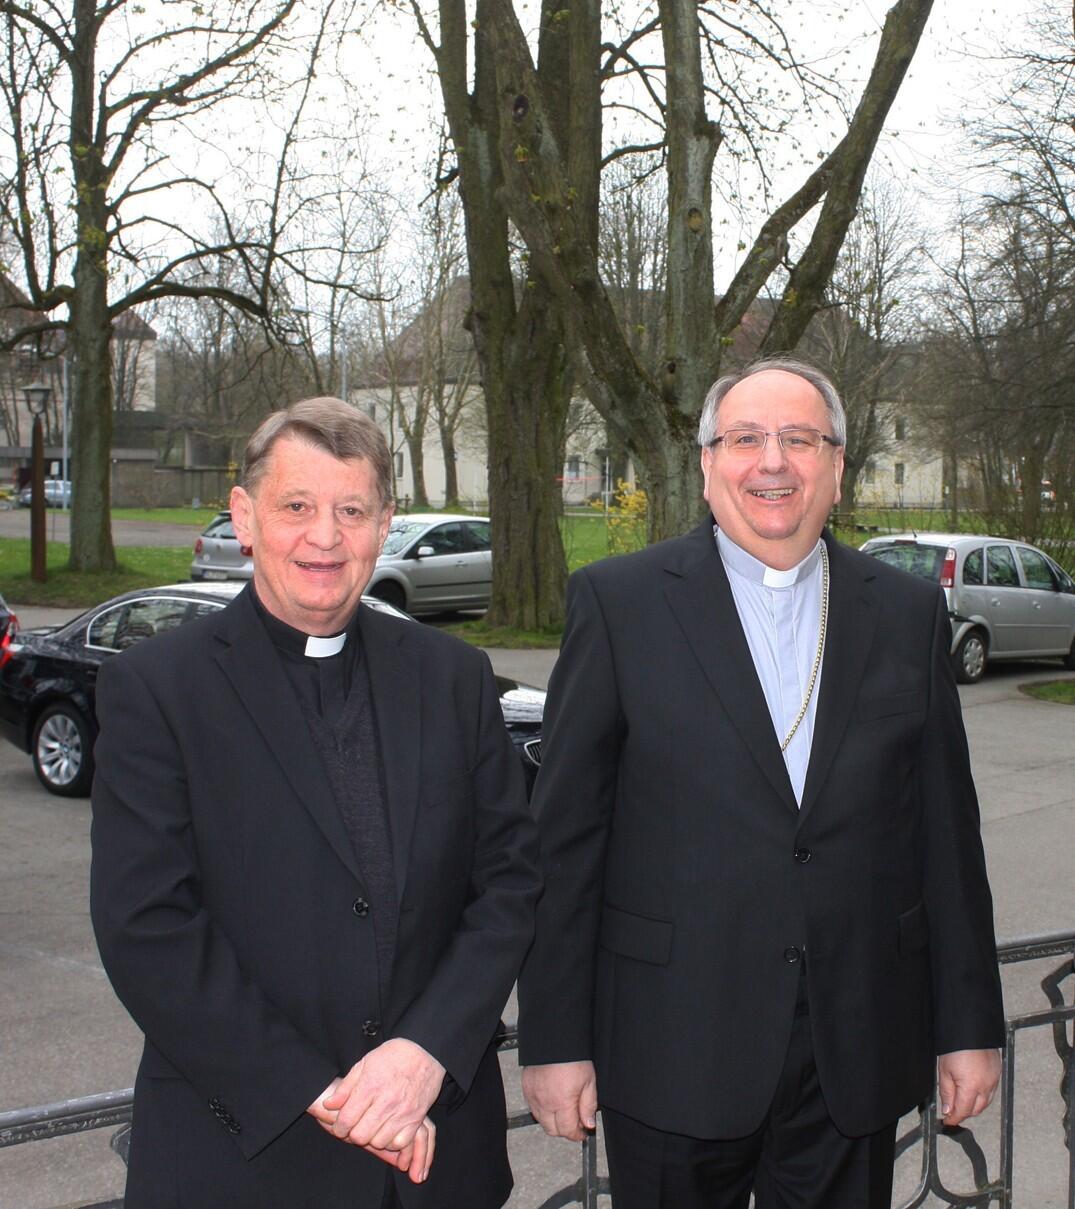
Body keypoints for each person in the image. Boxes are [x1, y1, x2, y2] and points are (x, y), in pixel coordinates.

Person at [518, 359, 1004, 1208]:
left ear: (837, 466)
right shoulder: (618, 603)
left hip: (850, 1047)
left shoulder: (904, 612)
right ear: (707, 463)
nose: (771, 462)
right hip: (670, 1045)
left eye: (798, 439)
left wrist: (967, 1027)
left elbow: (944, 838)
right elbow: (563, 844)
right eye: (745, 438)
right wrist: (553, 1040)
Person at [91, 398, 541, 1209]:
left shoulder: (451, 678)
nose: (324, 537)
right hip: (243, 1158)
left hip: (438, 1161)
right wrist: (332, 1096)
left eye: (351, 510)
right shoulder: (158, 689)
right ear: (245, 516)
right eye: (297, 506)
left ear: (384, 523)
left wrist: (424, 1053)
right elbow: (148, 925)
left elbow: (508, 884)